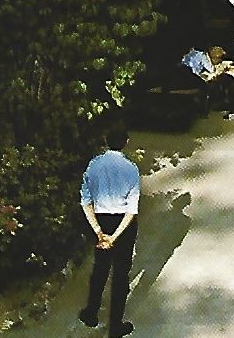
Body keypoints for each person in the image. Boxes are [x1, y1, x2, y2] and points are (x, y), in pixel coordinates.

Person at [78, 127, 140, 338]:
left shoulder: (93, 165)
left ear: (105, 141)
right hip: (123, 223)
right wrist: (115, 236)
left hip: (100, 220)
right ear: (126, 142)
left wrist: (99, 232)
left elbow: (86, 201)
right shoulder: (131, 169)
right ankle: (115, 326)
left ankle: (91, 312)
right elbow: (131, 210)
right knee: (121, 274)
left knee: (100, 268)